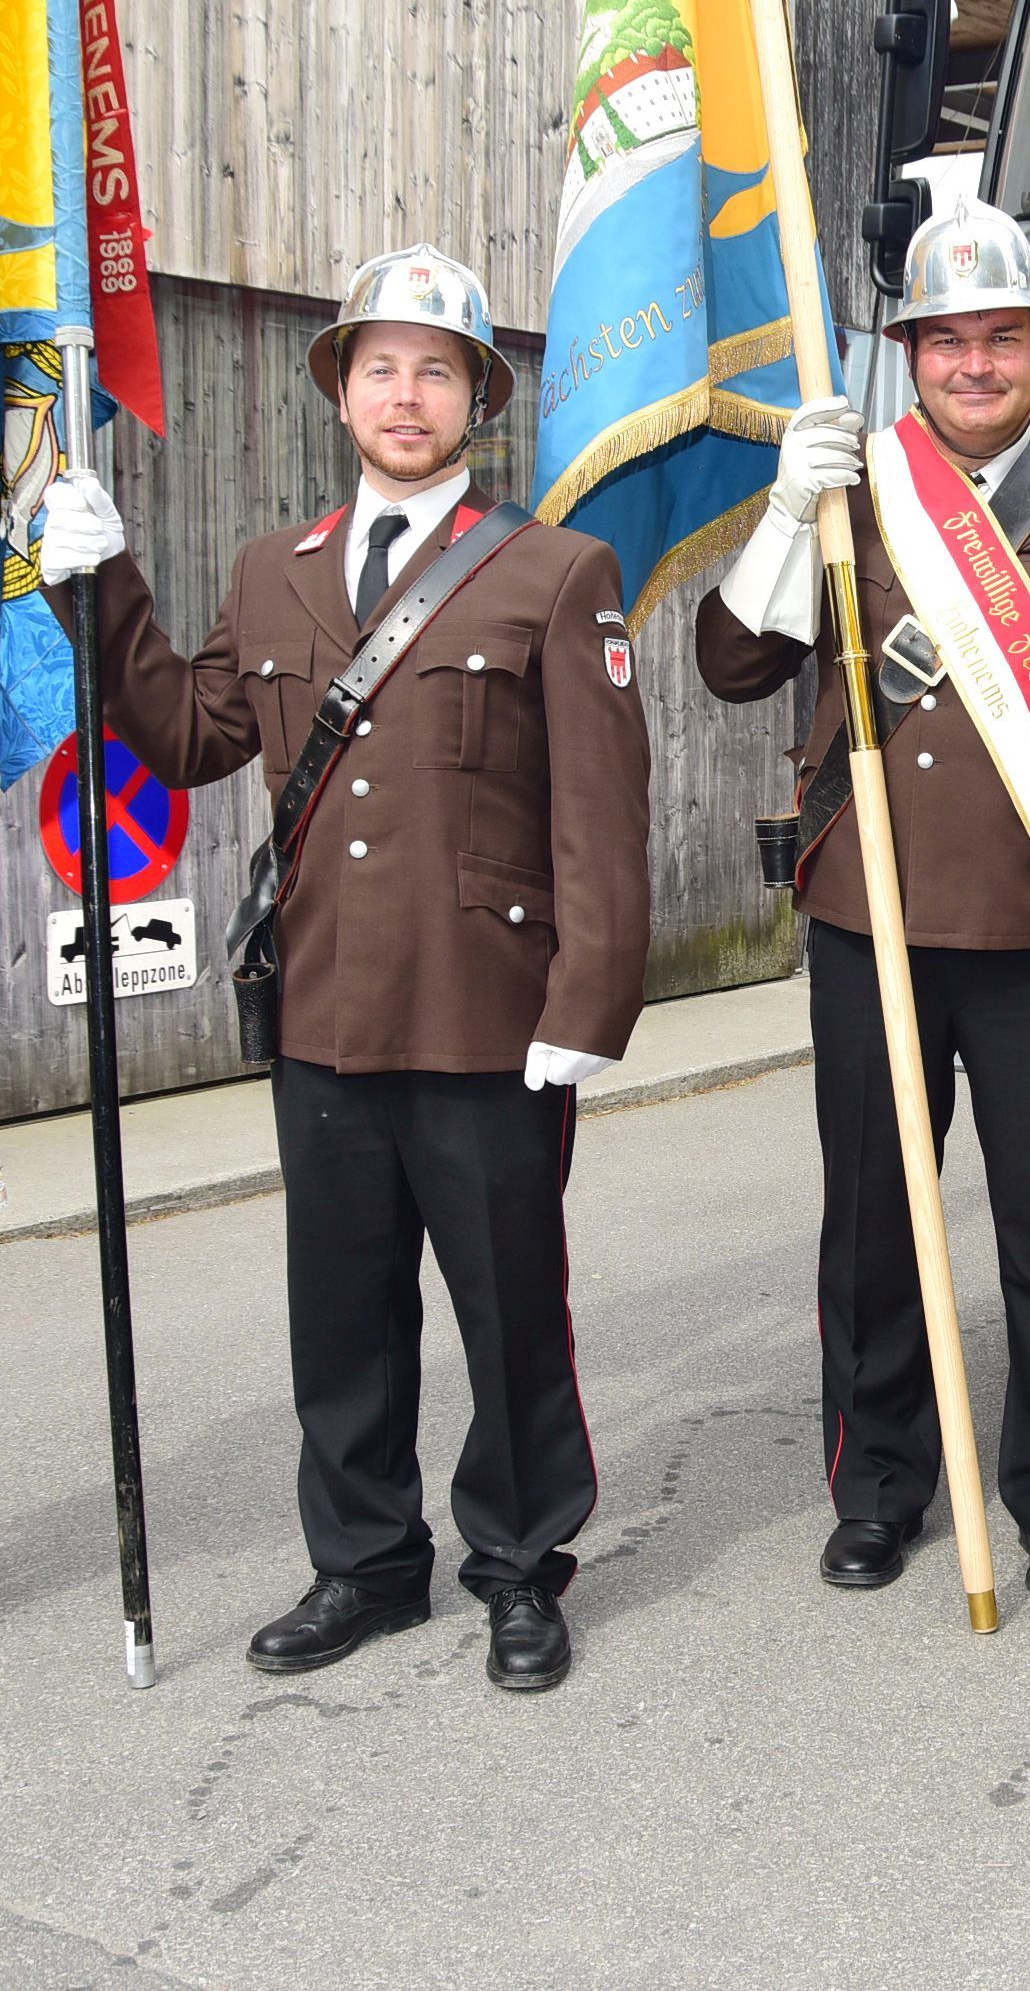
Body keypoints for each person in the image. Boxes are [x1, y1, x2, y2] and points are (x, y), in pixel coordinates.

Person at [35, 245, 652, 1692]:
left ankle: (518, 1564)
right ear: (341, 391)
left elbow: (600, 811)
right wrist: (102, 583)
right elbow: (192, 738)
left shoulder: (553, 571)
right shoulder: (275, 570)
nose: (405, 391)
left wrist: (590, 1003)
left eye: (435, 367)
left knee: (509, 1310)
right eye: (379, 364)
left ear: (474, 401)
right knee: (343, 1313)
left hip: (492, 1019)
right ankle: (366, 1561)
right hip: (321, 1012)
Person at [694, 199, 1030, 1607]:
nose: (974, 365)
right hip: (867, 920)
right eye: (946, 341)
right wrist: (786, 509)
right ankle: (876, 1488)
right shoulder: (853, 490)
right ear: (910, 353)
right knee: (871, 1220)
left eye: (1001, 338)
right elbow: (734, 669)